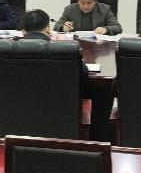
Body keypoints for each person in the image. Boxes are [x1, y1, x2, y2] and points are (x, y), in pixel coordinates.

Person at [22, 8, 112, 142]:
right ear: (47, 29)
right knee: (103, 90)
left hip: (22, 103)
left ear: (23, 30)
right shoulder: (64, 50)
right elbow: (84, 73)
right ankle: (97, 141)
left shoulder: (5, 49)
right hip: (59, 102)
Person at [54, 0, 122, 35]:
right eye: (82, 3)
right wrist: (63, 27)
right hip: (76, 44)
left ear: (95, 1)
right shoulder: (69, 9)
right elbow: (56, 26)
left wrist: (106, 29)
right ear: (78, 0)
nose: (86, 7)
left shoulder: (105, 9)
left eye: (89, 3)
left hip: (98, 44)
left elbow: (117, 27)